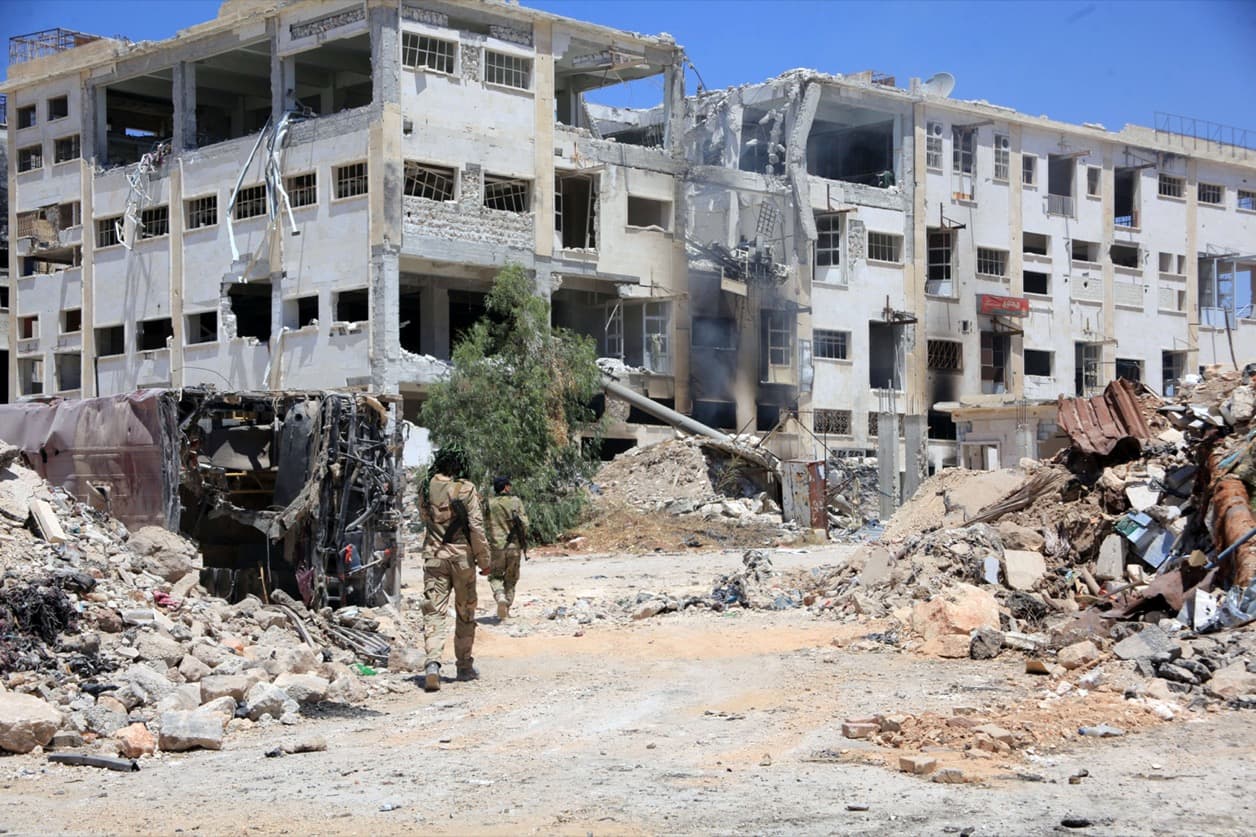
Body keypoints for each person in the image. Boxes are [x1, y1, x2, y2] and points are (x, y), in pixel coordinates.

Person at [418, 445, 490, 692]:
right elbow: (476, 527)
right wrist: (485, 560)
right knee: (465, 611)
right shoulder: (466, 488)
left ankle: (432, 665)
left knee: (434, 612)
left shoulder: (426, 487)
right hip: (462, 558)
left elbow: (424, 520)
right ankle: (464, 666)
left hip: (434, 557)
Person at [486, 476, 530, 620]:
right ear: (505, 487)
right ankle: (507, 608)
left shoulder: (489, 503)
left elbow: (481, 523)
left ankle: (500, 596)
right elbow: (525, 524)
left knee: (495, 576)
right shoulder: (515, 501)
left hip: (496, 547)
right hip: (513, 546)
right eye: (509, 485)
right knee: (511, 578)